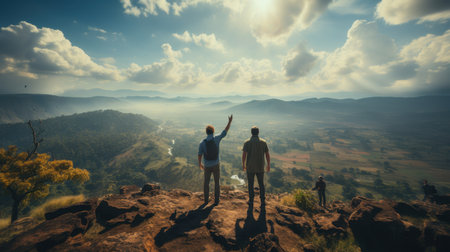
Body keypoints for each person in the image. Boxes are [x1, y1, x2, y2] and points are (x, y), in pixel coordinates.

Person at [198, 115, 233, 205]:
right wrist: (229, 121)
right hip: (216, 164)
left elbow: (199, 154)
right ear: (213, 131)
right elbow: (225, 131)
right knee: (217, 182)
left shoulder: (202, 142)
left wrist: (200, 164)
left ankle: (206, 200)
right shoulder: (217, 138)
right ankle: (216, 200)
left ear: (206, 132)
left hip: (207, 165)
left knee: (206, 183)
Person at [242, 126, 270, 206]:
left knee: (250, 184)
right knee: (261, 184)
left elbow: (244, 155)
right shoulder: (263, 142)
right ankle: (262, 200)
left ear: (251, 132)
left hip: (250, 166)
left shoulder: (247, 142)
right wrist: (268, 165)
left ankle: (251, 200)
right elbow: (267, 154)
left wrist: (243, 164)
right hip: (260, 166)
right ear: (258, 132)